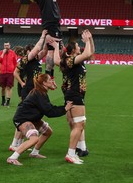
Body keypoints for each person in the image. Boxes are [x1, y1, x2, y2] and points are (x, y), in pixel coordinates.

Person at [7, 73, 73, 166]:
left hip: (32, 118)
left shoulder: (41, 91)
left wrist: (53, 88)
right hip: (23, 119)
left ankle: (34, 153)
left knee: (48, 132)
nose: (52, 81)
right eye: (50, 80)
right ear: (44, 83)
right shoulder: (39, 93)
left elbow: (49, 108)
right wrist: (65, 108)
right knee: (34, 139)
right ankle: (12, 158)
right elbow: (49, 112)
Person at [53, 29, 95, 165]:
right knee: (79, 125)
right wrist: (87, 40)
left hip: (73, 94)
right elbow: (88, 53)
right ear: (72, 51)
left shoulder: (74, 60)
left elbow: (90, 53)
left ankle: (76, 150)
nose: (80, 47)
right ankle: (71, 153)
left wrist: (90, 39)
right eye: (78, 46)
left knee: (77, 124)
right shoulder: (71, 60)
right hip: (75, 94)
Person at [27, 0, 65, 88]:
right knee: (51, 52)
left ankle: (41, 70)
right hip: (51, 24)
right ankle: (49, 78)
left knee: (49, 51)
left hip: (54, 24)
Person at [9, 31, 48, 151]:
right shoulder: (27, 59)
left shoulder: (36, 60)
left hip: (33, 91)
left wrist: (49, 39)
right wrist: (42, 36)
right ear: (28, 52)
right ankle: (15, 144)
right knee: (24, 117)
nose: (36, 52)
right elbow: (37, 49)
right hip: (28, 91)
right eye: (32, 50)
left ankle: (17, 143)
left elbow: (44, 50)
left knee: (27, 117)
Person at [0, 42, 17, 107]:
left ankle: (8, 101)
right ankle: (3, 100)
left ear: (10, 46)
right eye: (5, 45)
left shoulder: (13, 53)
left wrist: (14, 71)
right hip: (2, 73)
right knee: (2, 87)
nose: (6, 46)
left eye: (7, 45)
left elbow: (15, 63)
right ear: (3, 46)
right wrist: (3, 53)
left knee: (9, 87)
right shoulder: (0, 53)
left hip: (10, 73)